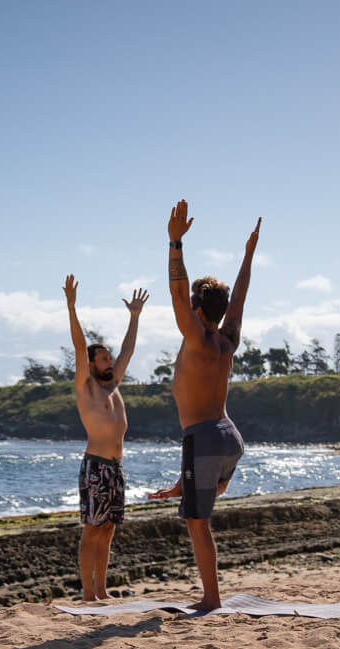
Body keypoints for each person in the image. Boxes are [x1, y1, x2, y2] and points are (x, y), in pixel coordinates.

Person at [148, 200, 261, 611]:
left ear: (197, 309)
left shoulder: (196, 337)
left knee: (198, 521)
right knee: (199, 496)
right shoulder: (226, 341)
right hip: (230, 437)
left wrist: (175, 242)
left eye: (191, 302)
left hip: (203, 438)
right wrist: (247, 257)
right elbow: (241, 297)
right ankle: (189, 485)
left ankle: (211, 599)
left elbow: (179, 288)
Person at [62, 274, 148, 601]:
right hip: (96, 467)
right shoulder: (87, 389)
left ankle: (101, 590)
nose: (110, 361)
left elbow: (128, 349)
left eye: (110, 358)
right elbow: (79, 345)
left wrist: (134, 318)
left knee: (108, 530)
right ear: (92, 365)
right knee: (92, 530)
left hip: (116, 468)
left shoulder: (114, 387)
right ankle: (87, 593)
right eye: (104, 359)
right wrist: (72, 307)